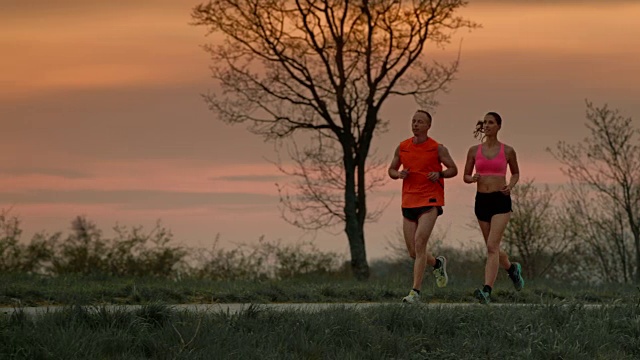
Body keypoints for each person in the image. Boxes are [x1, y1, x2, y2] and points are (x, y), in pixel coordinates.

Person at [388, 110, 458, 303]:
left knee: (420, 244)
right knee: (413, 251)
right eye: (413, 121)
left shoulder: (437, 148)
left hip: (430, 201)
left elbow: (453, 169)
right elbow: (391, 170)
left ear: (428, 126)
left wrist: (440, 174)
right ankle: (437, 263)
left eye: (420, 122)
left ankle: (415, 292)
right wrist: (398, 174)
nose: (416, 124)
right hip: (409, 201)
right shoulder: (402, 147)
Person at [463, 112, 525, 304]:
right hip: (481, 200)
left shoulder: (508, 151)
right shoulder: (474, 151)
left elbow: (515, 173)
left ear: (498, 126)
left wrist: (511, 186)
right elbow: (465, 175)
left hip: (500, 201)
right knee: (494, 247)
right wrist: (471, 178)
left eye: (491, 123)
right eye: (485, 122)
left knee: (491, 247)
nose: (487, 125)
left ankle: (487, 291)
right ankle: (511, 269)